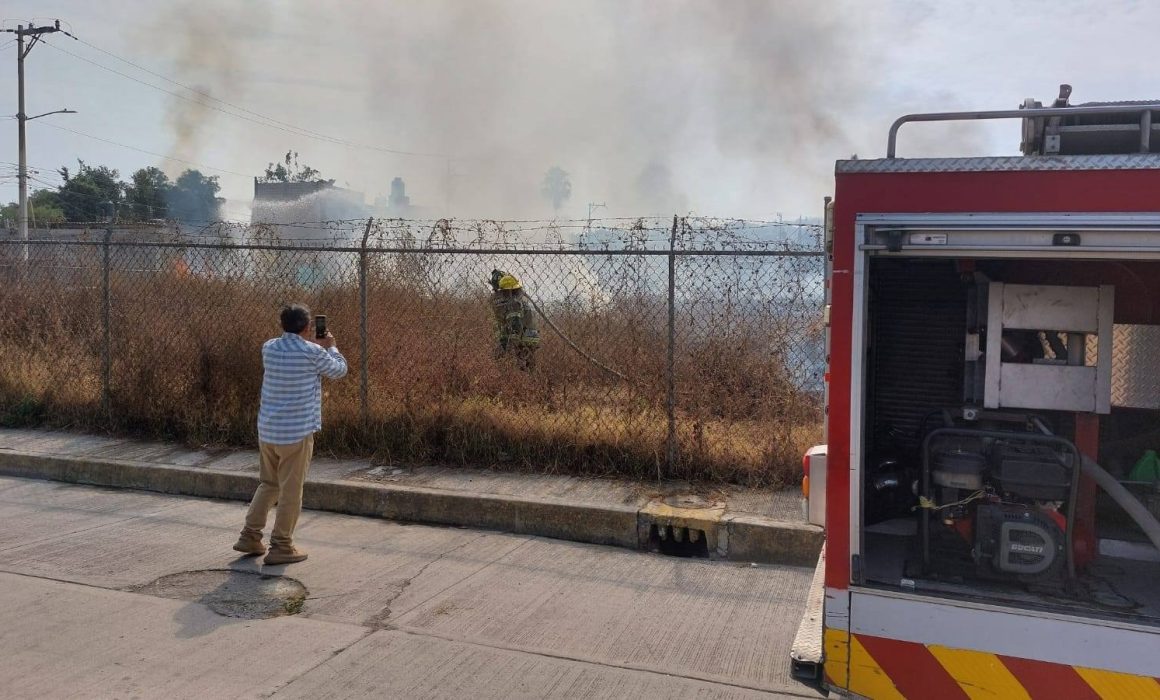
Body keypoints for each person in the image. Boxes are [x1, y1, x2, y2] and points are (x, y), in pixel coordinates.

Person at [233, 303, 348, 565]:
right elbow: (339, 370)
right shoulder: (313, 352)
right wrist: (331, 345)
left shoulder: (269, 347)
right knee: (291, 491)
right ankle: (282, 546)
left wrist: (316, 345)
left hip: (268, 430)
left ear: (282, 325)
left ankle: (250, 535)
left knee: (269, 483)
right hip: (296, 432)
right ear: (308, 327)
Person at [489, 269, 540, 371]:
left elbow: (515, 325)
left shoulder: (513, 303)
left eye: (502, 291)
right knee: (530, 365)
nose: (501, 293)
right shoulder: (524, 300)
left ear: (508, 291)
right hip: (533, 337)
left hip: (522, 338)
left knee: (519, 366)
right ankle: (533, 383)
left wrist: (510, 343)